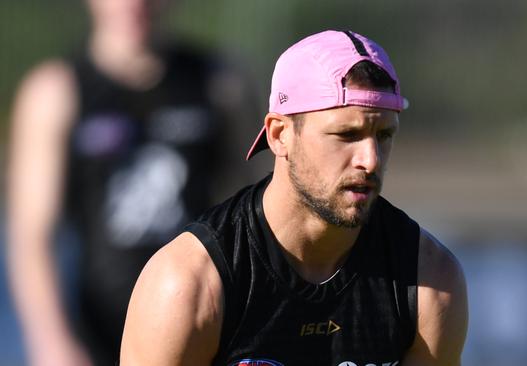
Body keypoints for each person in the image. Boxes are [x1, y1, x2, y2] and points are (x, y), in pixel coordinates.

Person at [121, 30, 468, 365]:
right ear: (279, 135)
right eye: (346, 134)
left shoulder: (429, 282)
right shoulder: (188, 285)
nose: (371, 159)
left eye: (384, 135)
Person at [7, 0, 260, 365]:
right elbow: (31, 237)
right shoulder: (55, 92)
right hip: (96, 331)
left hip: (201, 319)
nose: (133, 4)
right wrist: (51, 341)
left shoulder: (220, 83)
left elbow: (260, 204)